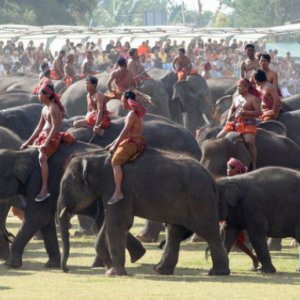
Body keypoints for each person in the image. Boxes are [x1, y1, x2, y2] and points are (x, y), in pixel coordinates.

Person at [20, 84, 64, 202]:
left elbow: (55, 127)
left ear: (47, 95)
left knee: (42, 158)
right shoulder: (44, 108)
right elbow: (39, 128)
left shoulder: (54, 108)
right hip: (43, 136)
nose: (38, 96)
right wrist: (27, 142)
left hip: (53, 137)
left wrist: (46, 142)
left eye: (40, 93)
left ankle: (44, 189)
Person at [106, 90, 146, 205]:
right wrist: (112, 143)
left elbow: (124, 132)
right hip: (134, 141)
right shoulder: (136, 113)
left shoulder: (132, 114)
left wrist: (115, 145)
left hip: (132, 143)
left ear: (127, 101)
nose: (122, 104)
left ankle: (118, 192)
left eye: (123, 101)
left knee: (115, 161)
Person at [217, 79, 261, 169]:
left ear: (246, 87)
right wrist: (229, 117)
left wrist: (246, 113)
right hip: (235, 122)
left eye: (240, 87)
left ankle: (254, 163)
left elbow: (259, 112)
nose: (238, 89)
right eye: (237, 87)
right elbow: (232, 108)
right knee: (219, 137)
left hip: (248, 122)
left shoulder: (254, 99)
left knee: (250, 142)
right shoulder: (236, 98)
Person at [225, 157, 260, 270]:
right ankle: (254, 259)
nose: (227, 170)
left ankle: (221, 262)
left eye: (230, 168)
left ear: (237, 170)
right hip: (229, 215)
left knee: (233, 240)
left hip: (239, 216)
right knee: (235, 242)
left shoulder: (240, 182)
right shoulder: (229, 180)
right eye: (227, 167)